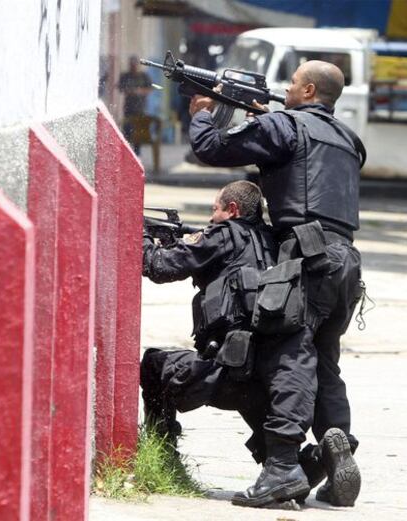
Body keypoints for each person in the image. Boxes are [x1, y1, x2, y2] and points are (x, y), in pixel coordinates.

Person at [188, 60, 364, 508]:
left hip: (306, 257)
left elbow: (210, 148)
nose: (284, 91)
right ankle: (335, 444)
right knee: (324, 358)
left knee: (291, 356)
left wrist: (204, 112)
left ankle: (282, 467)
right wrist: (257, 119)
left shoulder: (286, 126)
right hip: (346, 262)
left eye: (290, 84)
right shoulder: (346, 139)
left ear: (307, 90)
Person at [140, 181, 277, 456]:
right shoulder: (270, 239)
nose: (211, 218)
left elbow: (157, 266)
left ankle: (162, 454)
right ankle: (301, 464)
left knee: (153, 365)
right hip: (266, 373)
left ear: (233, 210)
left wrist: (141, 236)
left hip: (223, 373)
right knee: (276, 449)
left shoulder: (221, 236)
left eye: (215, 210)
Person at [117, 55, 152, 154]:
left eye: (135, 65)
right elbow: (120, 87)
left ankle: (137, 153)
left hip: (140, 108)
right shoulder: (125, 76)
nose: (133, 67)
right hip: (128, 108)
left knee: (138, 132)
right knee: (127, 130)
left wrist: (139, 91)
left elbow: (149, 88)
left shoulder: (143, 76)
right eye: (131, 65)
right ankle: (126, 152)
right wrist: (129, 91)